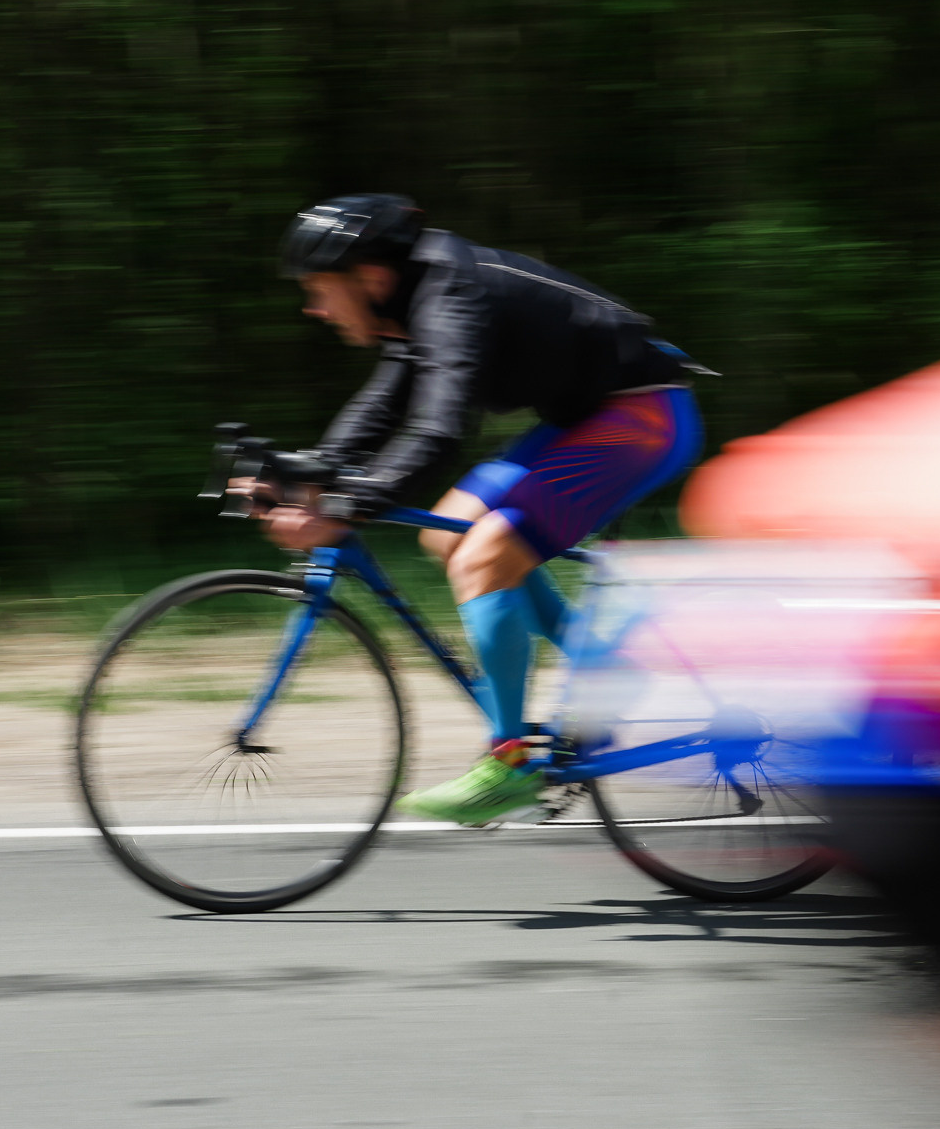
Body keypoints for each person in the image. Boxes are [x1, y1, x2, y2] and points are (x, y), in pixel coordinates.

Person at [256, 194, 705, 825]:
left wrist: (346, 508)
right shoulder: (415, 299)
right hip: (592, 418)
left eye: (319, 289)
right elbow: (384, 405)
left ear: (370, 277)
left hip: (642, 418)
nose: (314, 308)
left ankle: (509, 765)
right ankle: (607, 670)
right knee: (448, 533)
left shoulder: (447, 297)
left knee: (485, 556)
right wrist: (302, 476)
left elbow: (438, 431)